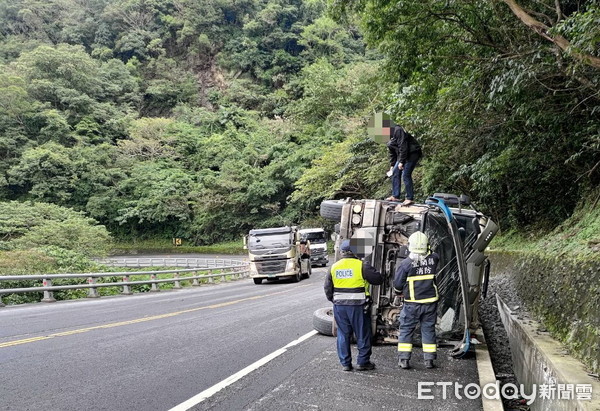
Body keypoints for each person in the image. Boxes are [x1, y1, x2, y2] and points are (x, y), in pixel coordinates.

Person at [324, 239, 383, 371]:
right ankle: (363, 362)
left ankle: (345, 363)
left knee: (343, 334)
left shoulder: (334, 267)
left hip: (340, 307)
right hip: (359, 306)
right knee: (362, 333)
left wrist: (335, 300)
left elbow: (328, 288)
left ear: (342, 252)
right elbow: (378, 279)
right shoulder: (362, 265)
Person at [393, 231, 439, 369]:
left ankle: (404, 360)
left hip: (412, 303)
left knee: (406, 329)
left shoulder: (406, 264)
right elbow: (431, 256)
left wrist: (398, 293)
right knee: (428, 329)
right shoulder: (434, 258)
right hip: (430, 302)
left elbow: (397, 284)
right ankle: (429, 360)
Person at [386, 125, 422, 205]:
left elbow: (403, 146)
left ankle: (409, 198)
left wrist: (401, 162)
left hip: (412, 153)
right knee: (395, 172)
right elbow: (393, 153)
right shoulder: (388, 138)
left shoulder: (397, 130)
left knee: (406, 174)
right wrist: (392, 165)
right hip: (402, 155)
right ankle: (395, 196)